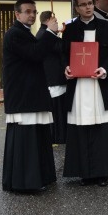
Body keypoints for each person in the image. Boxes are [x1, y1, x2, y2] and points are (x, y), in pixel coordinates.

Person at [62, 0, 108, 187]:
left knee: (101, 129)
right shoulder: (70, 30)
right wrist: (66, 68)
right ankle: (84, 172)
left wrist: (104, 69)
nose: (87, 7)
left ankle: (102, 172)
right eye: (83, 5)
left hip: (99, 84)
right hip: (79, 86)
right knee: (81, 129)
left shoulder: (107, 27)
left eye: (89, 4)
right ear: (77, 8)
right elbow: (63, 54)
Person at [1, 0, 59, 192]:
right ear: (17, 14)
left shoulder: (25, 32)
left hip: (31, 94)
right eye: (27, 12)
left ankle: (40, 177)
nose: (32, 15)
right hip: (23, 95)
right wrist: (50, 32)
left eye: (34, 11)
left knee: (37, 137)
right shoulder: (14, 34)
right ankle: (25, 182)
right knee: (26, 140)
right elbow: (36, 54)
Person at [36, 11, 67, 144]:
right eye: (54, 20)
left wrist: (57, 32)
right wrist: (60, 35)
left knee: (58, 109)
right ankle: (58, 136)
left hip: (54, 77)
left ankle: (59, 134)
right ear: (47, 20)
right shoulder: (44, 34)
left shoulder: (45, 32)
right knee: (57, 111)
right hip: (53, 78)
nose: (57, 22)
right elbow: (60, 47)